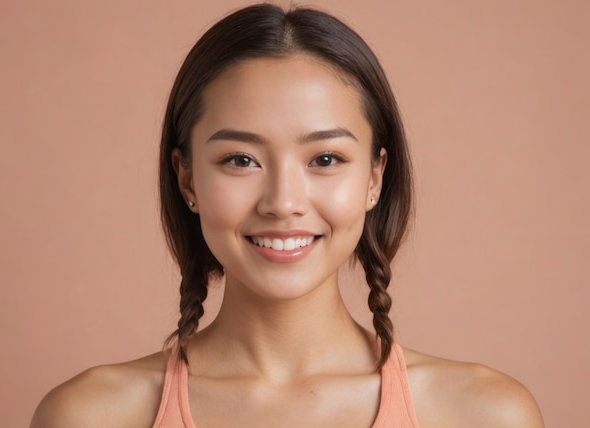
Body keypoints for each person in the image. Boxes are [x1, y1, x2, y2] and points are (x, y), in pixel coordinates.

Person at [31, 4, 544, 427]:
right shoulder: (90, 416)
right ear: (187, 179)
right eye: (240, 160)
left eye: (325, 160)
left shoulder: (484, 414)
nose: (282, 201)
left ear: (374, 178)